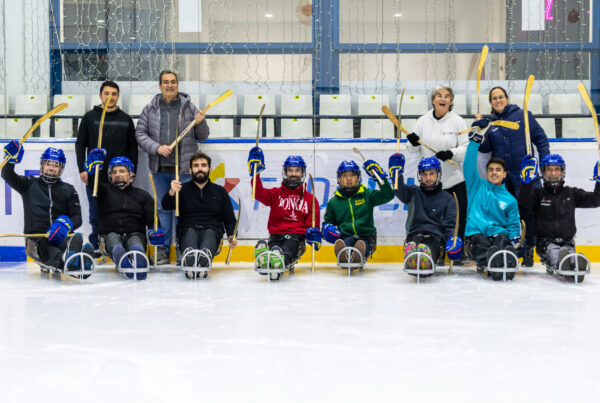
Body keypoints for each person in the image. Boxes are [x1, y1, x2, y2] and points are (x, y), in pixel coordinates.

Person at [135, 70, 210, 264]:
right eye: (166, 82)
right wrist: (157, 148)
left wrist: (201, 123)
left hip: (183, 169)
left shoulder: (190, 108)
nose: (170, 85)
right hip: (159, 169)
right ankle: (164, 248)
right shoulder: (150, 109)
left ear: (178, 84)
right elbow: (140, 134)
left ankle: (183, 246)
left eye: (173, 82)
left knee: (183, 209)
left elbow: (203, 136)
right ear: (159, 85)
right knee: (163, 209)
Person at [473, 86, 550, 266]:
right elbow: (484, 148)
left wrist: (545, 163)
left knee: (528, 212)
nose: (498, 100)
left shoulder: (523, 116)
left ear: (506, 99)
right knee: (503, 213)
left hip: (524, 175)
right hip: (502, 177)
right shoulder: (491, 123)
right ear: (491, 103)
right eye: (494, 98)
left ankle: (529, 248)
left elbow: (541, 139)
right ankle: (509, 248)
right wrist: (479, 130)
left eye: (501, 97)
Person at [2, 143, 92, 276]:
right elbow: (7, 175)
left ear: (61, 168)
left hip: (61, 236)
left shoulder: (69, 189)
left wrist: (67, 224)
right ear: (42, 165)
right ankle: (67, 259)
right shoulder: (29, 184)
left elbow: (77, 218)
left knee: (66, 243)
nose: (52, 168)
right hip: (37, 240)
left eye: (56, 165)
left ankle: (75, 259)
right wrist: (9, 159)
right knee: (48, 247)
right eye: (49, 163)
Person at [404, 85, 469, 264]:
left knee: (457, 219)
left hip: (454, 181)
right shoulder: (423, 121)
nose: (442, 98)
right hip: (430, 184)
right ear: (433, 100)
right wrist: (412, 142)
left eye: (447, 96)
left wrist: (451, 153)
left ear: (451, 101)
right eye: (439, 95)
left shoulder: (457, 121)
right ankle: (436, 250)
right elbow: (411, 149)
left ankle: (457, 252)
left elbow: (466, 147)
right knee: (430, 219)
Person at [75, 80, 137, 254]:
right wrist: (83, 169)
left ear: (118, 96)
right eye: (107, 93)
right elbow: (80, 144)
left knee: (118, 211)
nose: (110, 97)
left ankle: (117, 244)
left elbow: (133, 146)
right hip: (95, 174)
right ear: (100, 95)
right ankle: (96, 245)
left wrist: (133, 171)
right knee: (95, 213)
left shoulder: (125, 119)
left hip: (119, 175)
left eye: (114, 94)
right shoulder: (89, 117)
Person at [518, 154, 600, 282]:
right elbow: (524, 201)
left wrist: (599, 182)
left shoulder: (572, 193)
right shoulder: (538, 194)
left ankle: (575, 263)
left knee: (569, 253)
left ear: (563, 171)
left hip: (567, 242)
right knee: (555, 253)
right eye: (549, 169)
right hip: (546, 243)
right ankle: (564, 265)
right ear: (543, 172)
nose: (553, 173)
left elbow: (596, 200)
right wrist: (526, 184)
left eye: (557, 169)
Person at [84, 152, 163, 279]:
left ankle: (138, 256)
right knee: (113, 240)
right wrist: (92, 172)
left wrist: (155, 231)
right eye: (114, 172)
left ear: (131, 174)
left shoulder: (143, 196)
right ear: (110, 176)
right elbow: (93, 184)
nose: (118, 175)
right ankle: (119, 255)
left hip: (135, 233)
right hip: (110, 234)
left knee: (135, 242)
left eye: (122, 171)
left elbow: (152, 219)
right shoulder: (103, 191)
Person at [162, 152, 237, 279]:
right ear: (190, 170)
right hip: (188, 228)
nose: (200, 168)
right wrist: (171, 192)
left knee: (209, 235)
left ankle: (204, 260)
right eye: (196, 166)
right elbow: (166, 205)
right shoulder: (181, 189)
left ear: (210, 169)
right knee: (190, 235)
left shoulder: (219, 191)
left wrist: (232, 235)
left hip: (212, 229)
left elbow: (229, 219)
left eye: (203, 165)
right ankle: (190, 259)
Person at [248, 148, 321, 278]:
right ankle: (267, 259)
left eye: (297, 170)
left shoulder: (311, 199)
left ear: (302, 173)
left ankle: (276, 262)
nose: (294, 174)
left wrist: (313, 234)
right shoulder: (276, 193)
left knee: (287, 249)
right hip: (275, 236)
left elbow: (313, 225)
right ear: (285, 172)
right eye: (290, 170)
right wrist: (255, 174)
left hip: (296, 239)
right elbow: (258, 193)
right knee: (274, 248)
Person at [463, 131, 521, 281]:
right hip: (477, 233)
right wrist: (474, 143)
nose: (494, 173)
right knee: (482, 244)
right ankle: (493, 262)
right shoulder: (476, 185)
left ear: (504, 174)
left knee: (502, 241)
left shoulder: (510, 200)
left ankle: (505, 260)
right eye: (491, 170)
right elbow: (468, 165)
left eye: (498, 170)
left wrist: (515, 236)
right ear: (487, 172)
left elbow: (514, 223)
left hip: (498, 234)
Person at [389, 154, 462, 273]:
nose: (428, 178)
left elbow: (450, 225)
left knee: (429, 246)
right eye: (424, 174)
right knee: (414, 243)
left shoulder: (448, 198)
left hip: (435, 237)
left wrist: (452, 239)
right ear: (419, 175)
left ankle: (423, 260)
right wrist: (396, 174)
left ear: (439, 173)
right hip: (414, 234)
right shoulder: (413, 192)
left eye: (431, 173)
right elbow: (399, 189)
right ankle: (412, 256)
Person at [321, 159, 394, 265]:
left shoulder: (367, 195)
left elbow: (388, 195)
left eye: (352, 175)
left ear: (358, 178)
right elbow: (328, 222)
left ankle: (358, 255)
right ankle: (344, 255)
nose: (349, 178)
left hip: (367, 237)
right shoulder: (334, 202)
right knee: (346, 243)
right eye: (344, 176)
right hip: (346, 236)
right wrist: (327, 229)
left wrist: (381, 178)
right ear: (339, 179)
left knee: (362, 244)